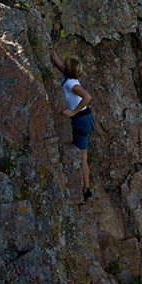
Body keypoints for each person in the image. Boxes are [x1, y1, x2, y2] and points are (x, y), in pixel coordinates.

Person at [50, 49, 94, 204]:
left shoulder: (72, 84)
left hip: (82, 120)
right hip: (84, 118)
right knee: (83, 155)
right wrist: (53, 53)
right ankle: (86, 187)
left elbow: (87, 97)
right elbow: (59, 63)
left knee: (83, 157)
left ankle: (86, 188)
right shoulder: (68, 76)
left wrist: (73, 112)